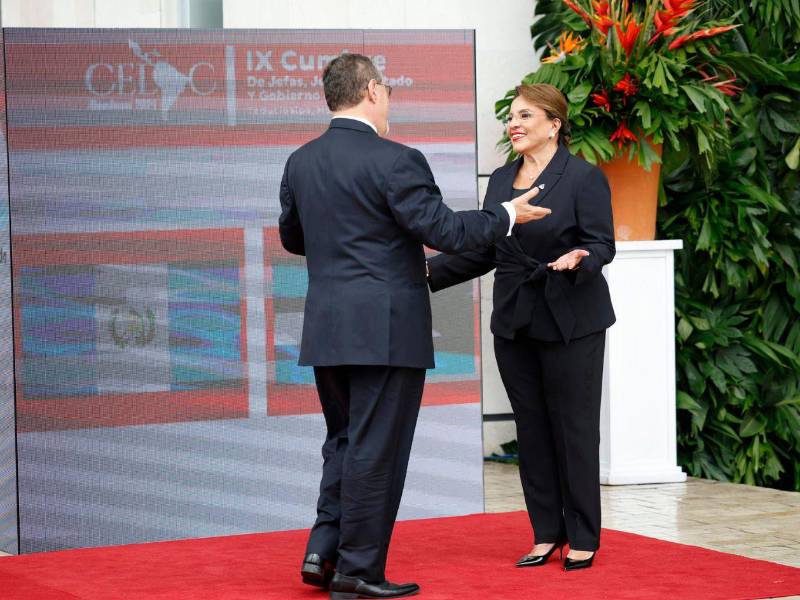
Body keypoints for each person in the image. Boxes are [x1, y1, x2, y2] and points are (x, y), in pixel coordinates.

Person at [279, 54, 551, 599]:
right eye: (388, 94)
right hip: (385, 331)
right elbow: (445, 231)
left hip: (329, 328)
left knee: (344, 441)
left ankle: (323, 550)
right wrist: (505, 215)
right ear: (373, 91)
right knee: (375, 449)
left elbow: (293, 237)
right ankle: (358, 571)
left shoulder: (300, 161)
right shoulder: (396, 160)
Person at [427, 83, 616, 571]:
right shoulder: (499, 181)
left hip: (571, 316)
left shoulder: (583, 177)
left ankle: (583, 534)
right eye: (511, 117)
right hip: (514, 319)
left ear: (554, 125)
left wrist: (583, 257)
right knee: (530, 429)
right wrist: (424, 274)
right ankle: (545, 532)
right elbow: (485, 250)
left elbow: (602, 243)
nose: (513, 124)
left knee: (573, 428)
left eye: (526, 116)